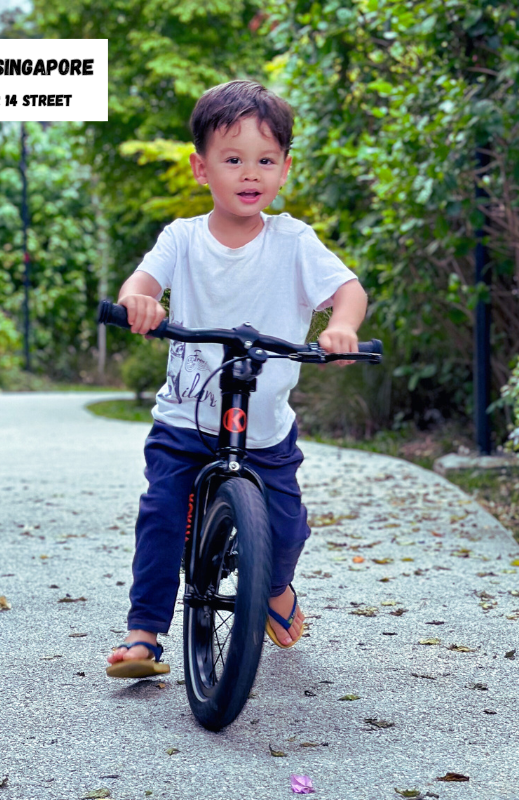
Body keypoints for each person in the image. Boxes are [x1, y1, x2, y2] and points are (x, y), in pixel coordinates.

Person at [106, 79, 368, 678]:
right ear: (202, 168)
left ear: (284, 168)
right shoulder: (182, 238)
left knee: (286, 529)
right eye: (232, 159)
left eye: (265, 160)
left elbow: (347, 291)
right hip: (185, 419)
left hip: (266, 426)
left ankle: (276, 587)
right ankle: (145, 632)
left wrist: (342, 327)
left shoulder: (293, 241)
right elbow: (142, 284)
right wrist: (140, 304)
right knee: (162, 517)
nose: (250, 173)